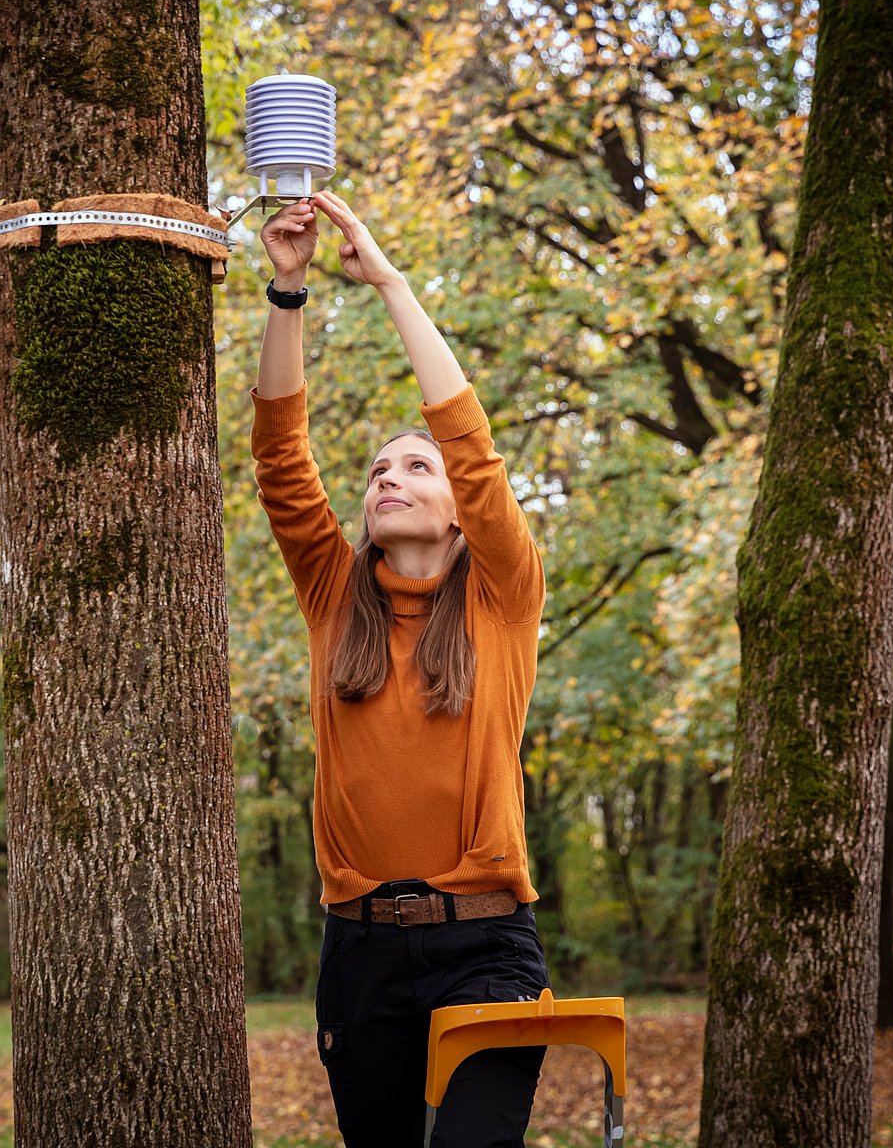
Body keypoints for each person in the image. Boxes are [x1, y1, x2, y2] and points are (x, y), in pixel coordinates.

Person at [250, 190, 551, 1148]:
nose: (389, 478)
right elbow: (280, 461)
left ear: (462, 509)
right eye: (379, 469)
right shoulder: (335, 595)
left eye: (416, 468)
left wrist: (387, 283)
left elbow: (472, 440)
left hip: (487, 947)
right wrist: (286, 291)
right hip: (361, 951)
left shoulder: (503, 595)